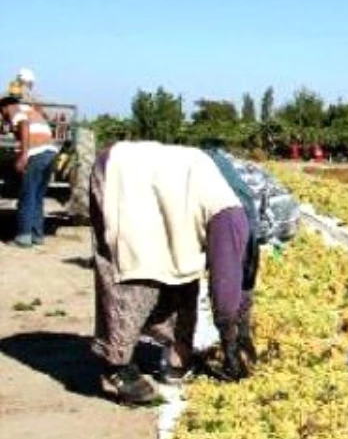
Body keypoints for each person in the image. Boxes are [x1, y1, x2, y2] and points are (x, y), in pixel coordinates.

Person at [89, 141, 261, 405]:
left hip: (171, 189)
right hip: (126, 176)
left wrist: (244, 330)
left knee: (183, 271)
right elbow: (225, 290)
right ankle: (117, 369)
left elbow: (244, 281)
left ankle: (177, 359)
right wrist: (230, 342)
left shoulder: (245, 226)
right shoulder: (230, 221)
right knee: (134, 267)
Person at [1, 95, 59, 247]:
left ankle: (23, 238)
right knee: (37, 197)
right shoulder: (32, 110)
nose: (3, 116)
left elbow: (24, 124)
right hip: (51, 153)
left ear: (5, 107)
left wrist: (23, 155)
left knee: (26, 196)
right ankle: (37, 236)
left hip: (36, 154)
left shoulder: (14, 109)